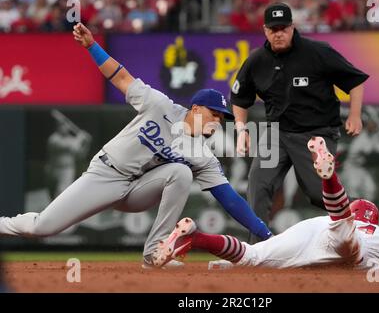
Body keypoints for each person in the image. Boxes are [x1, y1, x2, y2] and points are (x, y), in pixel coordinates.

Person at [0, 23, 272, 268]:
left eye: (221, 118)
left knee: (181, 172)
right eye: (214, 114)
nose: (217, 121)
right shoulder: (159, 105)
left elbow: (230, 199)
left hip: (138, 191)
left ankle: (154, 252)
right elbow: (121, 78)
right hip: (106, 175)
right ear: (197, 109)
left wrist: (265, 233)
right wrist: (92, 46)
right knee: (41, 227)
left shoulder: (202, 154)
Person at [154, 137, 379, 272]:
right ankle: (330, 178)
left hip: (313, 230)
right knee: (345, 235)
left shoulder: (339, 221)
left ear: (358, 212)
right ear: (372, 220)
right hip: (341, 238)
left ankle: (196, 236)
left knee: (251, 257)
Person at [231, 2, 369, 241]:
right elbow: (240, 99)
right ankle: (257, 248)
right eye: (274, 29)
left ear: (293, 27)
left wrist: (355, 115)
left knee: (318, 194)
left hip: (316, 133)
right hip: (277, 133)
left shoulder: (317, 52)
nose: (279, 33)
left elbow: (354, 80)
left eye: (283, 28)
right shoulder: (256, 61)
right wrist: (241, 130)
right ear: (265, 30)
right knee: (258, 184)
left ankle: (364, 215)